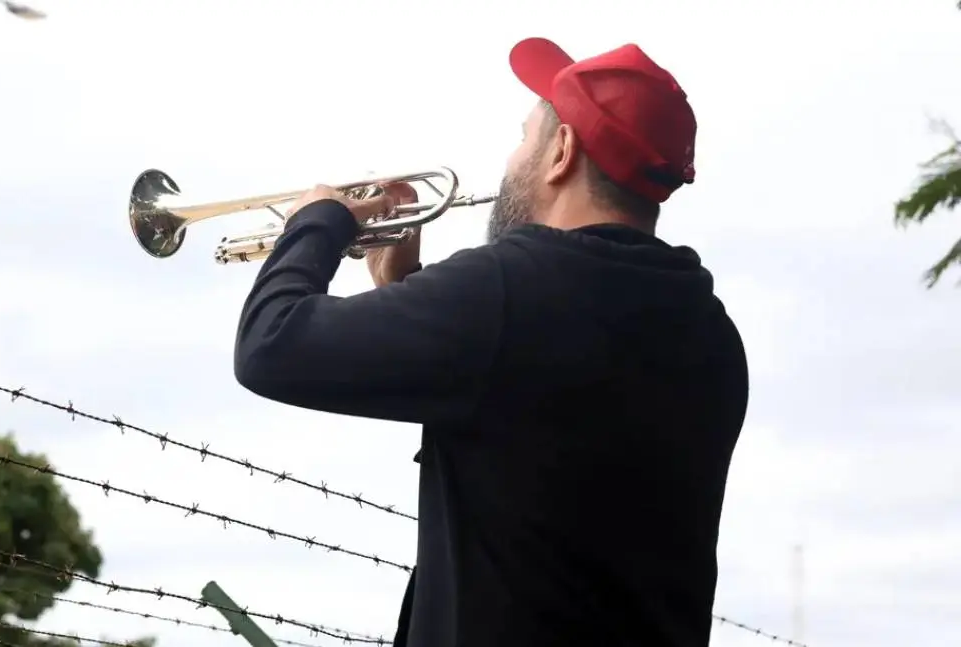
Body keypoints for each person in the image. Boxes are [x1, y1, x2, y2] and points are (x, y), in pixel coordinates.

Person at [233, 36, 748, 647]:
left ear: (561, 151)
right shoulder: (709, 328)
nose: (511, 161)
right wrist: (408, 288)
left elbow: (270, 344)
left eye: (523, 136)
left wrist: (317, 222)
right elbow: (530, 429)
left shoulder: (508, 288)